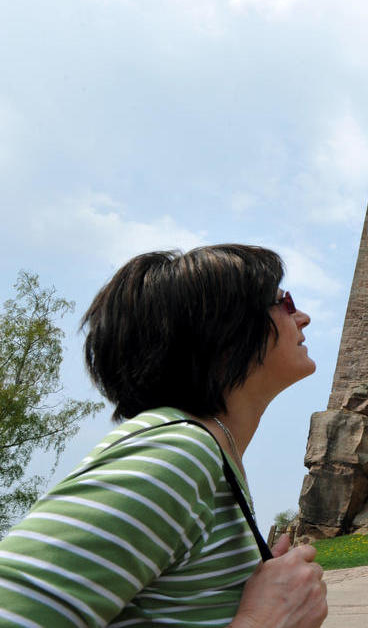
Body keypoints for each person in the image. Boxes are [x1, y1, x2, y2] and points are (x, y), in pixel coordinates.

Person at [0, 244, 328, 627]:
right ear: (223, 329)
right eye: (283, 302)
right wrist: (263, 619)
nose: (302, 317)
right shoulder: (177, 455)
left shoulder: (210, 459)